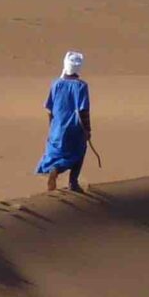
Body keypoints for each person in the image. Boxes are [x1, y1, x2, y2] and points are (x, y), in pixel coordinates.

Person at [37, 50, 93, 193]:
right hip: (74, 127)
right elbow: (83, 111)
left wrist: (52, 126)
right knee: (78, 151)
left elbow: (49, 108)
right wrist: (88, 130)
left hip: (57, 126)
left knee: (57, 151)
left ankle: (54, 170)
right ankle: (72, 182)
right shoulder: (81, 86)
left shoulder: (56, 84)